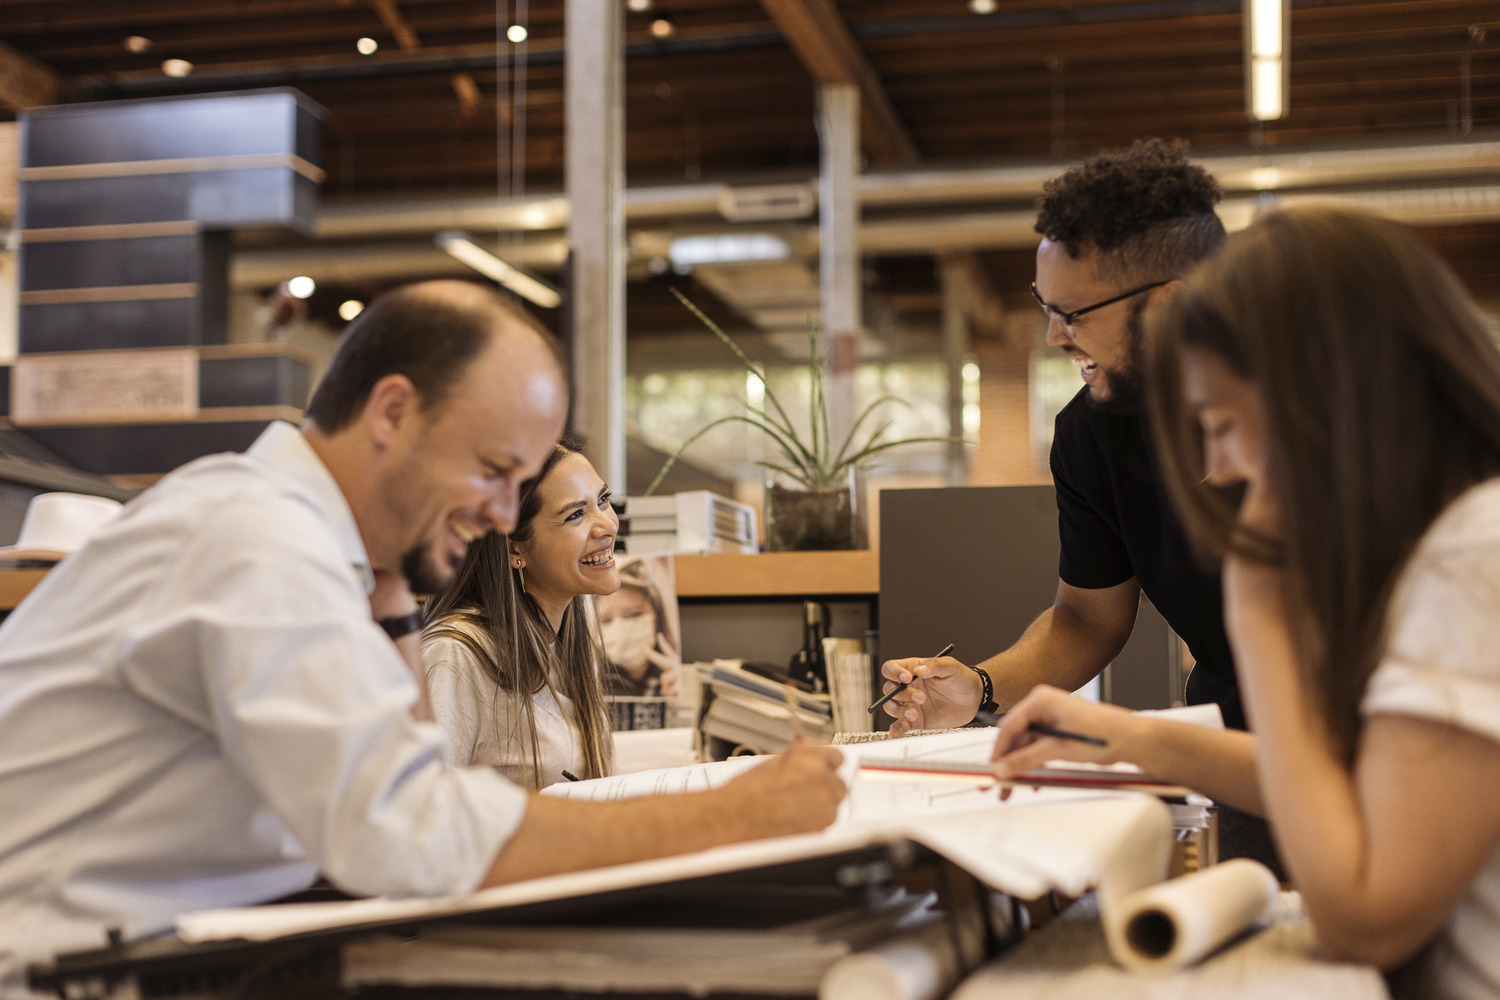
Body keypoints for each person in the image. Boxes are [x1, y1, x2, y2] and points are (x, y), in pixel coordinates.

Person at [0, 280, 845, 995]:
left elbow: (406, 774)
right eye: (492, 470)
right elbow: (406, 828)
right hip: (67, 967)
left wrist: (396, 583)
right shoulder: (258, 540)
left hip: (168, 948)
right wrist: (730, 815)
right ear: (393, 413)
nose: (499, 514)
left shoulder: (320, 547)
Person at [992, 205, 1500, 996]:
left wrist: (1258, 610)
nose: (1220, 469)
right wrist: (1114, 734)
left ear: (1322, 397)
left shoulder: (1474, 558)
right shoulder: (1453, 544)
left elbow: (1365, 919)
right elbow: (1353, 786)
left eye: (1220, 424)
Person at [879, 140, 1237, 729]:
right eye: (1045, 306)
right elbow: (1089, 618)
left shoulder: (1325, 409)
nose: (1053, 338)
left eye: (1073, 313)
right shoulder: (1092, 432)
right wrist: (983, 687)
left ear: (1170, 305)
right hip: (1234, 733)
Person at [422, 438, 618, 788]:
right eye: (576, 514)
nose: (606, 526)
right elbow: (421, 816)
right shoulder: (454, 657)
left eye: (603, 500)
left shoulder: (568, 632)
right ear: (515, 547)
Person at [600, 557, 681, 698]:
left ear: (657, 619)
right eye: (607, 620)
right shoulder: (585, 681)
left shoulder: (672, 676)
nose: (620, 632)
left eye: (633, 615)